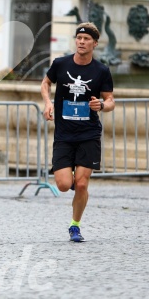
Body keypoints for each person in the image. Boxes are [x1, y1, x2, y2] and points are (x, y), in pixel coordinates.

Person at [41, 22, 115, 243]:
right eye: (79, 38)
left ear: (95, 43)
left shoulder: (101, 70)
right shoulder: (61, 64)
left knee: (81, 184)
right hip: (64, 134)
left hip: (89, 134)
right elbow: (45, 83)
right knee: (64, 185)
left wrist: (101, 105)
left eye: (86, 39)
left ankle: (75, 226)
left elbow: (111, 100)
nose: (82, 42)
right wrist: (47, 103)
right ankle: (76, 183)